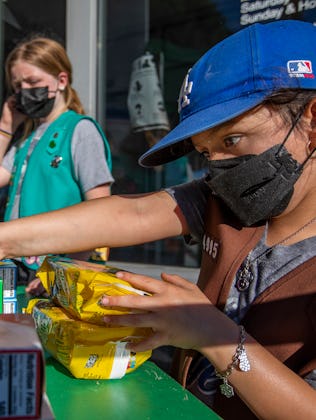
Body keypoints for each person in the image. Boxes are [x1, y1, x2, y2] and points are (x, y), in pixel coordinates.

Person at [0, 19, 315, 418]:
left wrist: (213, 335)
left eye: (231, 140)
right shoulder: (225, 199)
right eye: (204, 151)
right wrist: (5, 238)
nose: (216, 166)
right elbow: (132, 212)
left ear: (312, 119)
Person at [0, 36, 114, 289]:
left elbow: (102, 211)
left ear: (61, 81)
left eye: (33, 81)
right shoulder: (27, 138)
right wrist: (6, 127)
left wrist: (64, 272)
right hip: (20, 267)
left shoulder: (80, 130)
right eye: (18, 86)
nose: (24, 91)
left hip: (56, 270)